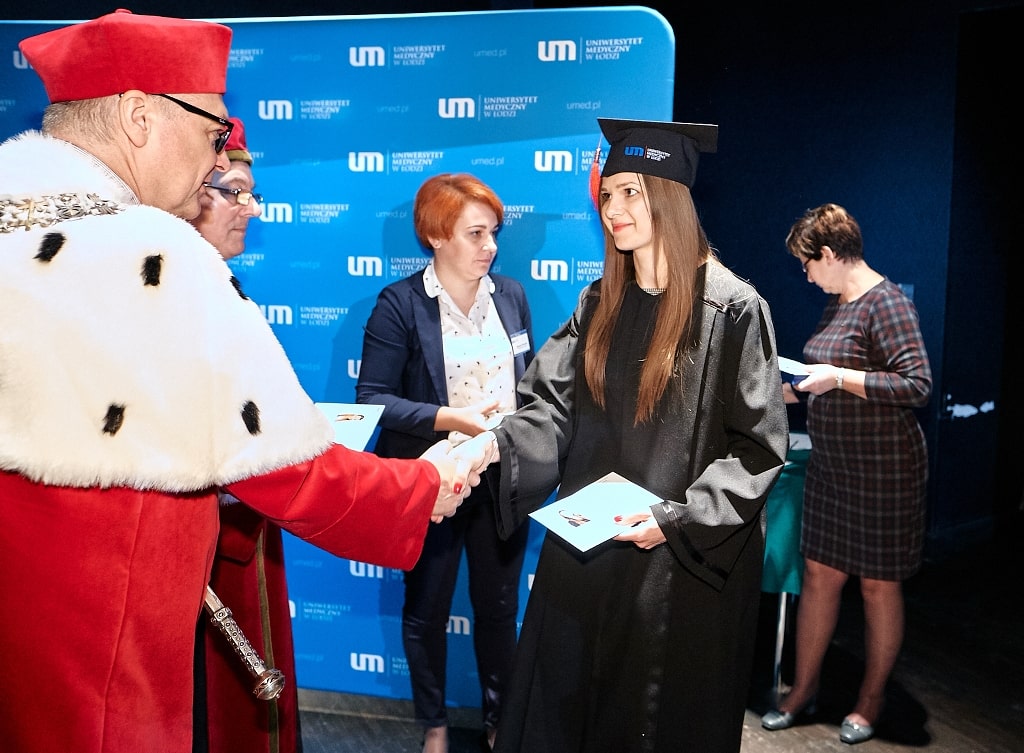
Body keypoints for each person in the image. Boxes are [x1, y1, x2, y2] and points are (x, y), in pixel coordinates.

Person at [0, 12, 495, 753]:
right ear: (138, 117)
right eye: (212, 132)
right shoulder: (154, 253)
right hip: (111, 669)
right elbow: (287, 470)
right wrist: (426, 487)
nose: (215, 160)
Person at [477, 118, 789, 753]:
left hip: (675, 567)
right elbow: (550, 405)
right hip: (588, 557)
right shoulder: (600, 302)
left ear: (669, 198)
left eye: (630, 193)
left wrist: (677, 518)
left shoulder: (730, 310)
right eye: (607, 194)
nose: (611, 209)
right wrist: (495, 446)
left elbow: (757, 447)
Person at [356, 173, 535, 753]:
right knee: (427, 609)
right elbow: (373, 400)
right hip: (433, 483)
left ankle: (499, 723)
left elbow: (528, 384)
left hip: (500, 477)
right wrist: (450, 418)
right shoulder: (400, 305)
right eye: (475, 234)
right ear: (436, 236)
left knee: (499, 610)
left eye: (494, 233)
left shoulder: (511, 296)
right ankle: (433, 725)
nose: (491, 247)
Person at [760, 202, 932, 745]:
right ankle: (803, 689)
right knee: (819, 577)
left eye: (808, 263)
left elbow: (917, 385)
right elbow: (817, 378)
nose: (806, 275)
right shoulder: (838, 305)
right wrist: (769, 395)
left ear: (831, 255)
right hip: (833, 469)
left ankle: (870, 700)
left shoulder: (888, 304)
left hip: (885, 471)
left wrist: (838, 377)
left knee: (878, 587)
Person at [186, 117, 301, 753]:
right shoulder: (174, 294)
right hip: (207, 542)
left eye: (252, 194)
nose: (249, 209)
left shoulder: (221, 286)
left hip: (243, 527)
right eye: (234, 192)